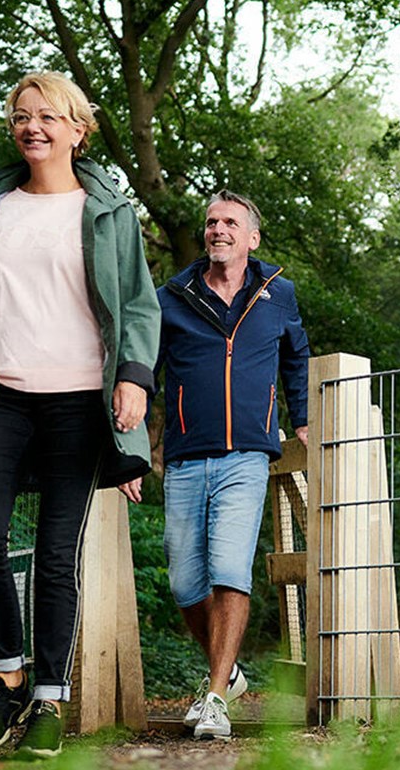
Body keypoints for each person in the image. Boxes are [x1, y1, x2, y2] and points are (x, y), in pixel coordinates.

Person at [0, 71, 159, 758]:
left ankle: (50, 700)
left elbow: (138, 304)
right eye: (22, 116)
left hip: (79, 400)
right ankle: (6, 680)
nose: (33, 127)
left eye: (49, 117)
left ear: (77, 131)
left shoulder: (108, 212)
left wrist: (134, 379)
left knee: (58, 554)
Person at [132, 191, 309, 741]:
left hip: (248, 456)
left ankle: (214, 698)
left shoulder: (277, 294)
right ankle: (228, 672)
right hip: (185, 457)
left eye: (230, 222)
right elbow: (143, 375)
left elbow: (296, 356)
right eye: (211, 222)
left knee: (230, 569)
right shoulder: (171, 298)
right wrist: (134, 449)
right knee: (185, 583)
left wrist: (303, 418)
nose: (218, 229)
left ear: (251, 237)